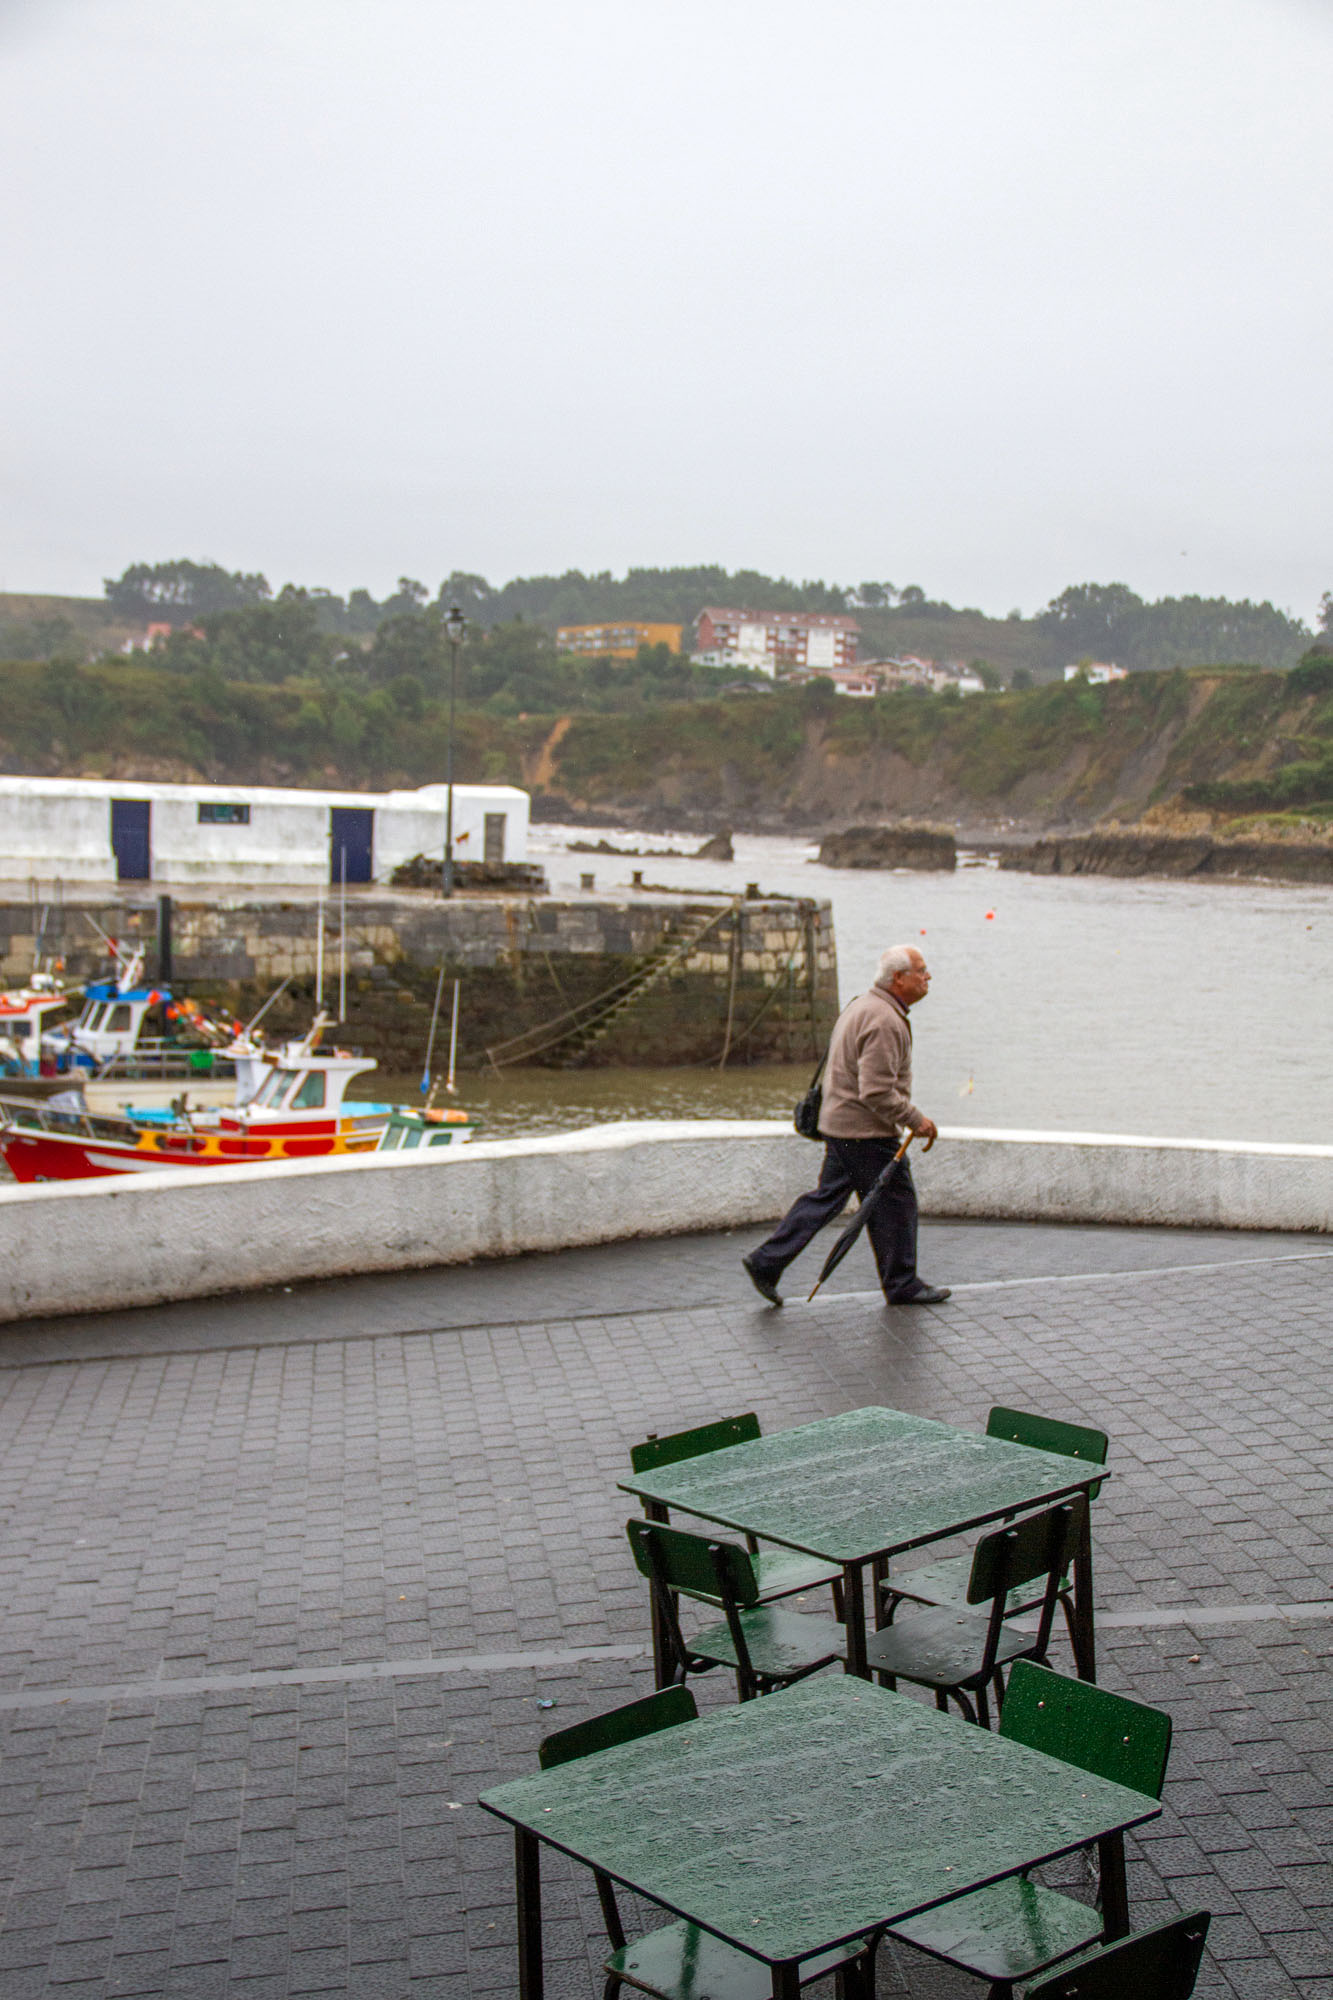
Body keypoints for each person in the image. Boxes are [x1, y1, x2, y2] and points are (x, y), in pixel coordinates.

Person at [742, 943, 949, 1306]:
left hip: (840, 1124)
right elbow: (876, 1091)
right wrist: (917, 1120)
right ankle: (901, 1284)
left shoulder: (862, 1004)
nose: (927, 976)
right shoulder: (884, 1019)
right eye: (921, 970)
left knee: (827, 1199)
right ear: (898, 979)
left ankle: (766, 1261)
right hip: (864, 1132)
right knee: (897, 1203)